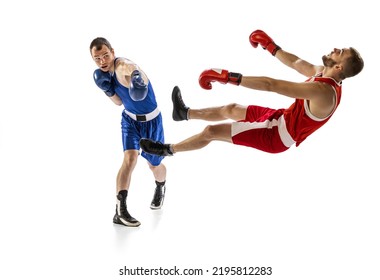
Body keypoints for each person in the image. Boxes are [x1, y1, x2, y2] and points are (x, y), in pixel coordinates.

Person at [139, 29, 364, 158]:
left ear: (339, 68)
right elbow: (296, 63)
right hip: (280, 118)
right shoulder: (323, 73)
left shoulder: (322, 91)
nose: (336, 49)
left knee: (211, 132)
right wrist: (270, 46)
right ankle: (184, 113)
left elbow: (271, 85)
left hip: (275, 136)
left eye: (340, 52)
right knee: (231, 109)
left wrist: (229, 77)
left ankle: (166, 150)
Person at [90, 37, 167, 227]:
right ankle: (120, 210)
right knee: (129, 159)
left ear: (113, 52)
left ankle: (160, 186)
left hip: (151, 122)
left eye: (106, 56)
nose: (103, 62)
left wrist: (136, 78)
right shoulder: (103, 75)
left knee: (153, 164)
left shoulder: (123, 65)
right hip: (129, 120)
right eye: (97, 58)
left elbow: (132, 68)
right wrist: (107, 90)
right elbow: (118, 102)